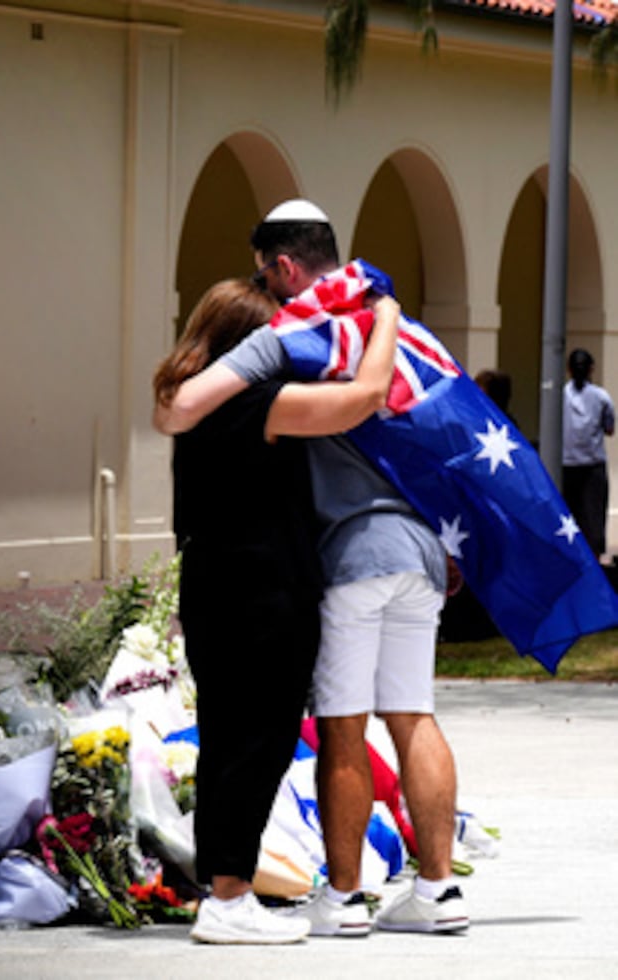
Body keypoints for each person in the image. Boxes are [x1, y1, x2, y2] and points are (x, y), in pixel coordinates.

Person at [155, 199, 469, 937]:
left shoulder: (212, 406)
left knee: (298, 733)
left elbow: (175, 409)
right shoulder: (269, 400)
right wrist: (386, 311)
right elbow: (363, 398)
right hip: (336, 574)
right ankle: (427, 889)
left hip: (267, 576)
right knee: (391, 721)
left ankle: (328, 898)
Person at [153, 274, 399, 944]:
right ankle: (229, 898)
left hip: (214, 585)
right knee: (255, 743)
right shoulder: (253, 404)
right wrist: (385, 323)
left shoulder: (198, 406)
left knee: (229, 739)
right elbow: (361, 401)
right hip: (263, 591)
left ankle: (225, 890)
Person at [562, 348, 615, 561]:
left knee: (568, 517)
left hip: (565, 464)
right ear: (592, 369)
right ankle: (594, 561)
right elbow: (610, 429)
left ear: (568, 370)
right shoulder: (602, 397)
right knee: (593, 517)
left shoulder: (559, 394)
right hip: (593, 464)